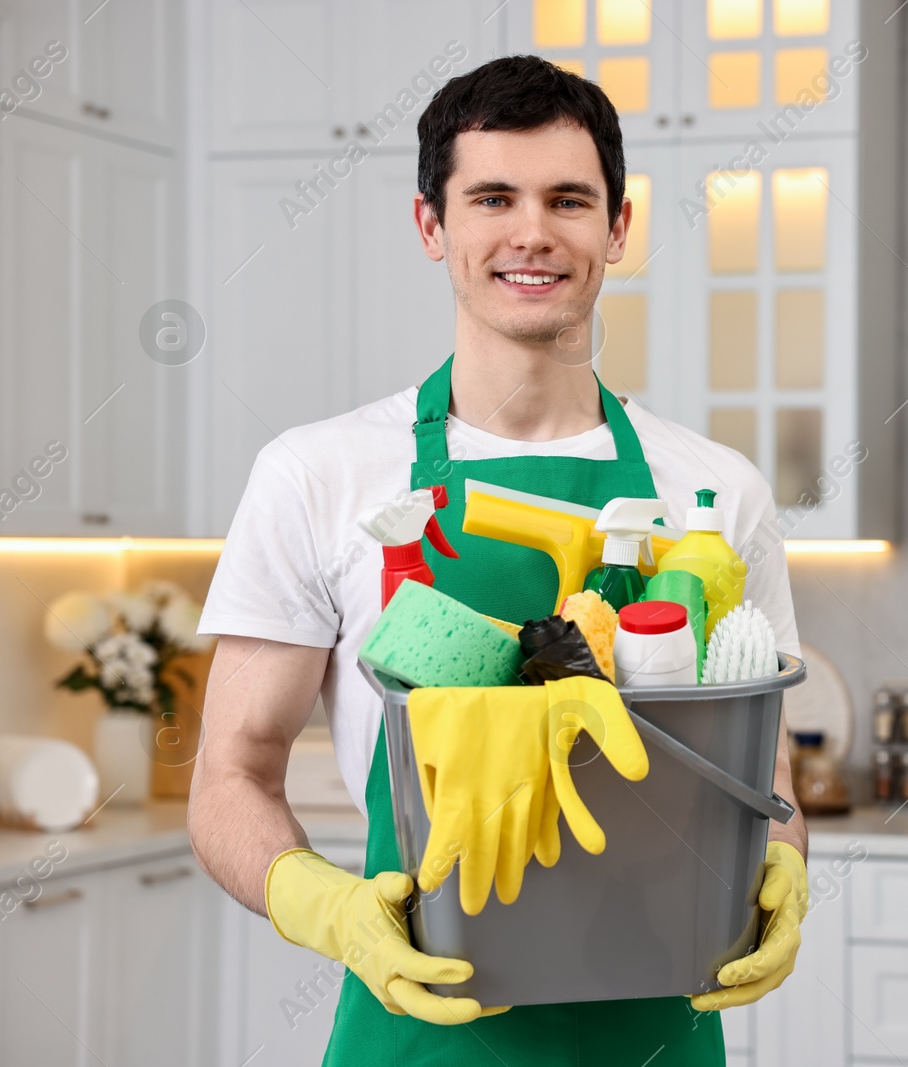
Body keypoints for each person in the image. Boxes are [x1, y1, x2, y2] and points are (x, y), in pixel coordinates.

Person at [188, 55, 808, 1066]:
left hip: (656, 1031)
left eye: (569, 199)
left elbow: (761, 770)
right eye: (492, 197)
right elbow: (230, 773)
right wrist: (326, 907)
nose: (532, 232)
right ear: (432, 225)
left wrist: (782, 867)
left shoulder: (718, 489)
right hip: (417, 1027)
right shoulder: (318, 472)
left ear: (618, 226)